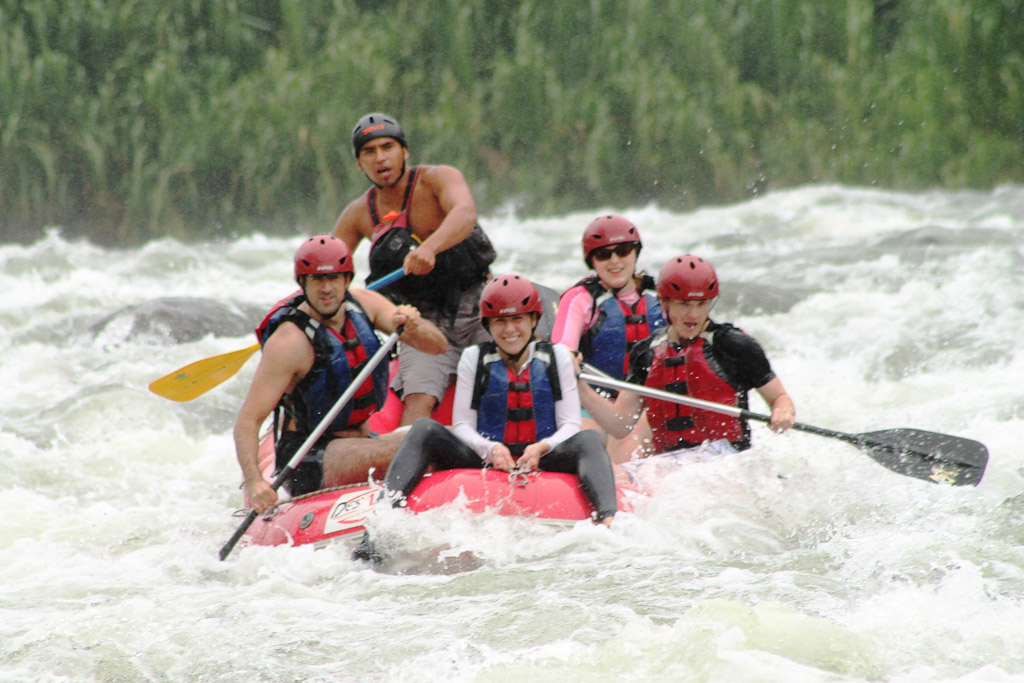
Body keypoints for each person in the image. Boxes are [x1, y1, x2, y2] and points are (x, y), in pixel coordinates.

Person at [353, 274, 618, 561]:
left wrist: (543, 447)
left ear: (533, 320)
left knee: (589, 438)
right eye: (500, 322)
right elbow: (463, 425)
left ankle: (608, 524)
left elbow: (570, 425)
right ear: (488, 326)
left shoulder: (557, 357)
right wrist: (490, 449)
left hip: (543, 455)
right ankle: (378, 527)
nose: (510, 329)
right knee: (424, 429)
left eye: (518, 319)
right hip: (488, 457)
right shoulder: (473, 358)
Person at [234, 235, 447, 514]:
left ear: (347, 280)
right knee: (416, 451)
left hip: (361, 441)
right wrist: (253, 482)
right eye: (317, 280)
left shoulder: (365, 303)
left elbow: (438, 346)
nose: (326, 289)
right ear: (303, 284)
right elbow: (248, 421)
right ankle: (385, 521)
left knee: (443, 437)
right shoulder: (289, 342)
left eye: (334, 279)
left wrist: (415, 326)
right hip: (310, 458)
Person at [332, 112, 497, 427]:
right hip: (421, 323)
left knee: (502, 384)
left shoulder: (437, 179)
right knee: (419, 400)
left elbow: (465, 212)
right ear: (358, 164)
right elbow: (326, 270)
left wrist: (429, 248)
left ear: (404, 151)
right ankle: (412, 462)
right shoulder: (357, 215)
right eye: (369, 152)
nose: (380, 158)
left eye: (387, 147)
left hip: (477, 305)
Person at [578, 254, 795, 481]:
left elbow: (779, 397)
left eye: (701, 304)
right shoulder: (646, 352)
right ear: (665, 302)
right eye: (683, 304)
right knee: (611, 476)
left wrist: (782, 412)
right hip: (670, 464)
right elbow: (620, 424)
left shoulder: (734, 345)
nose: (693, 315)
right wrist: (581, 387)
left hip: (727, 459)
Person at [551, 215, 665, 462]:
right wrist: (567, 357)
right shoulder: (580, 298)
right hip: (593, 404)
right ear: (592, 261)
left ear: (635, 253)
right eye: (603, 255)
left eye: (622, 251)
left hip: (646, 406)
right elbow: (562, 349)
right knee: (587, 440)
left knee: (631, 439)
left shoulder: (662, 295)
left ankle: (625, 479)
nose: (614, 261)